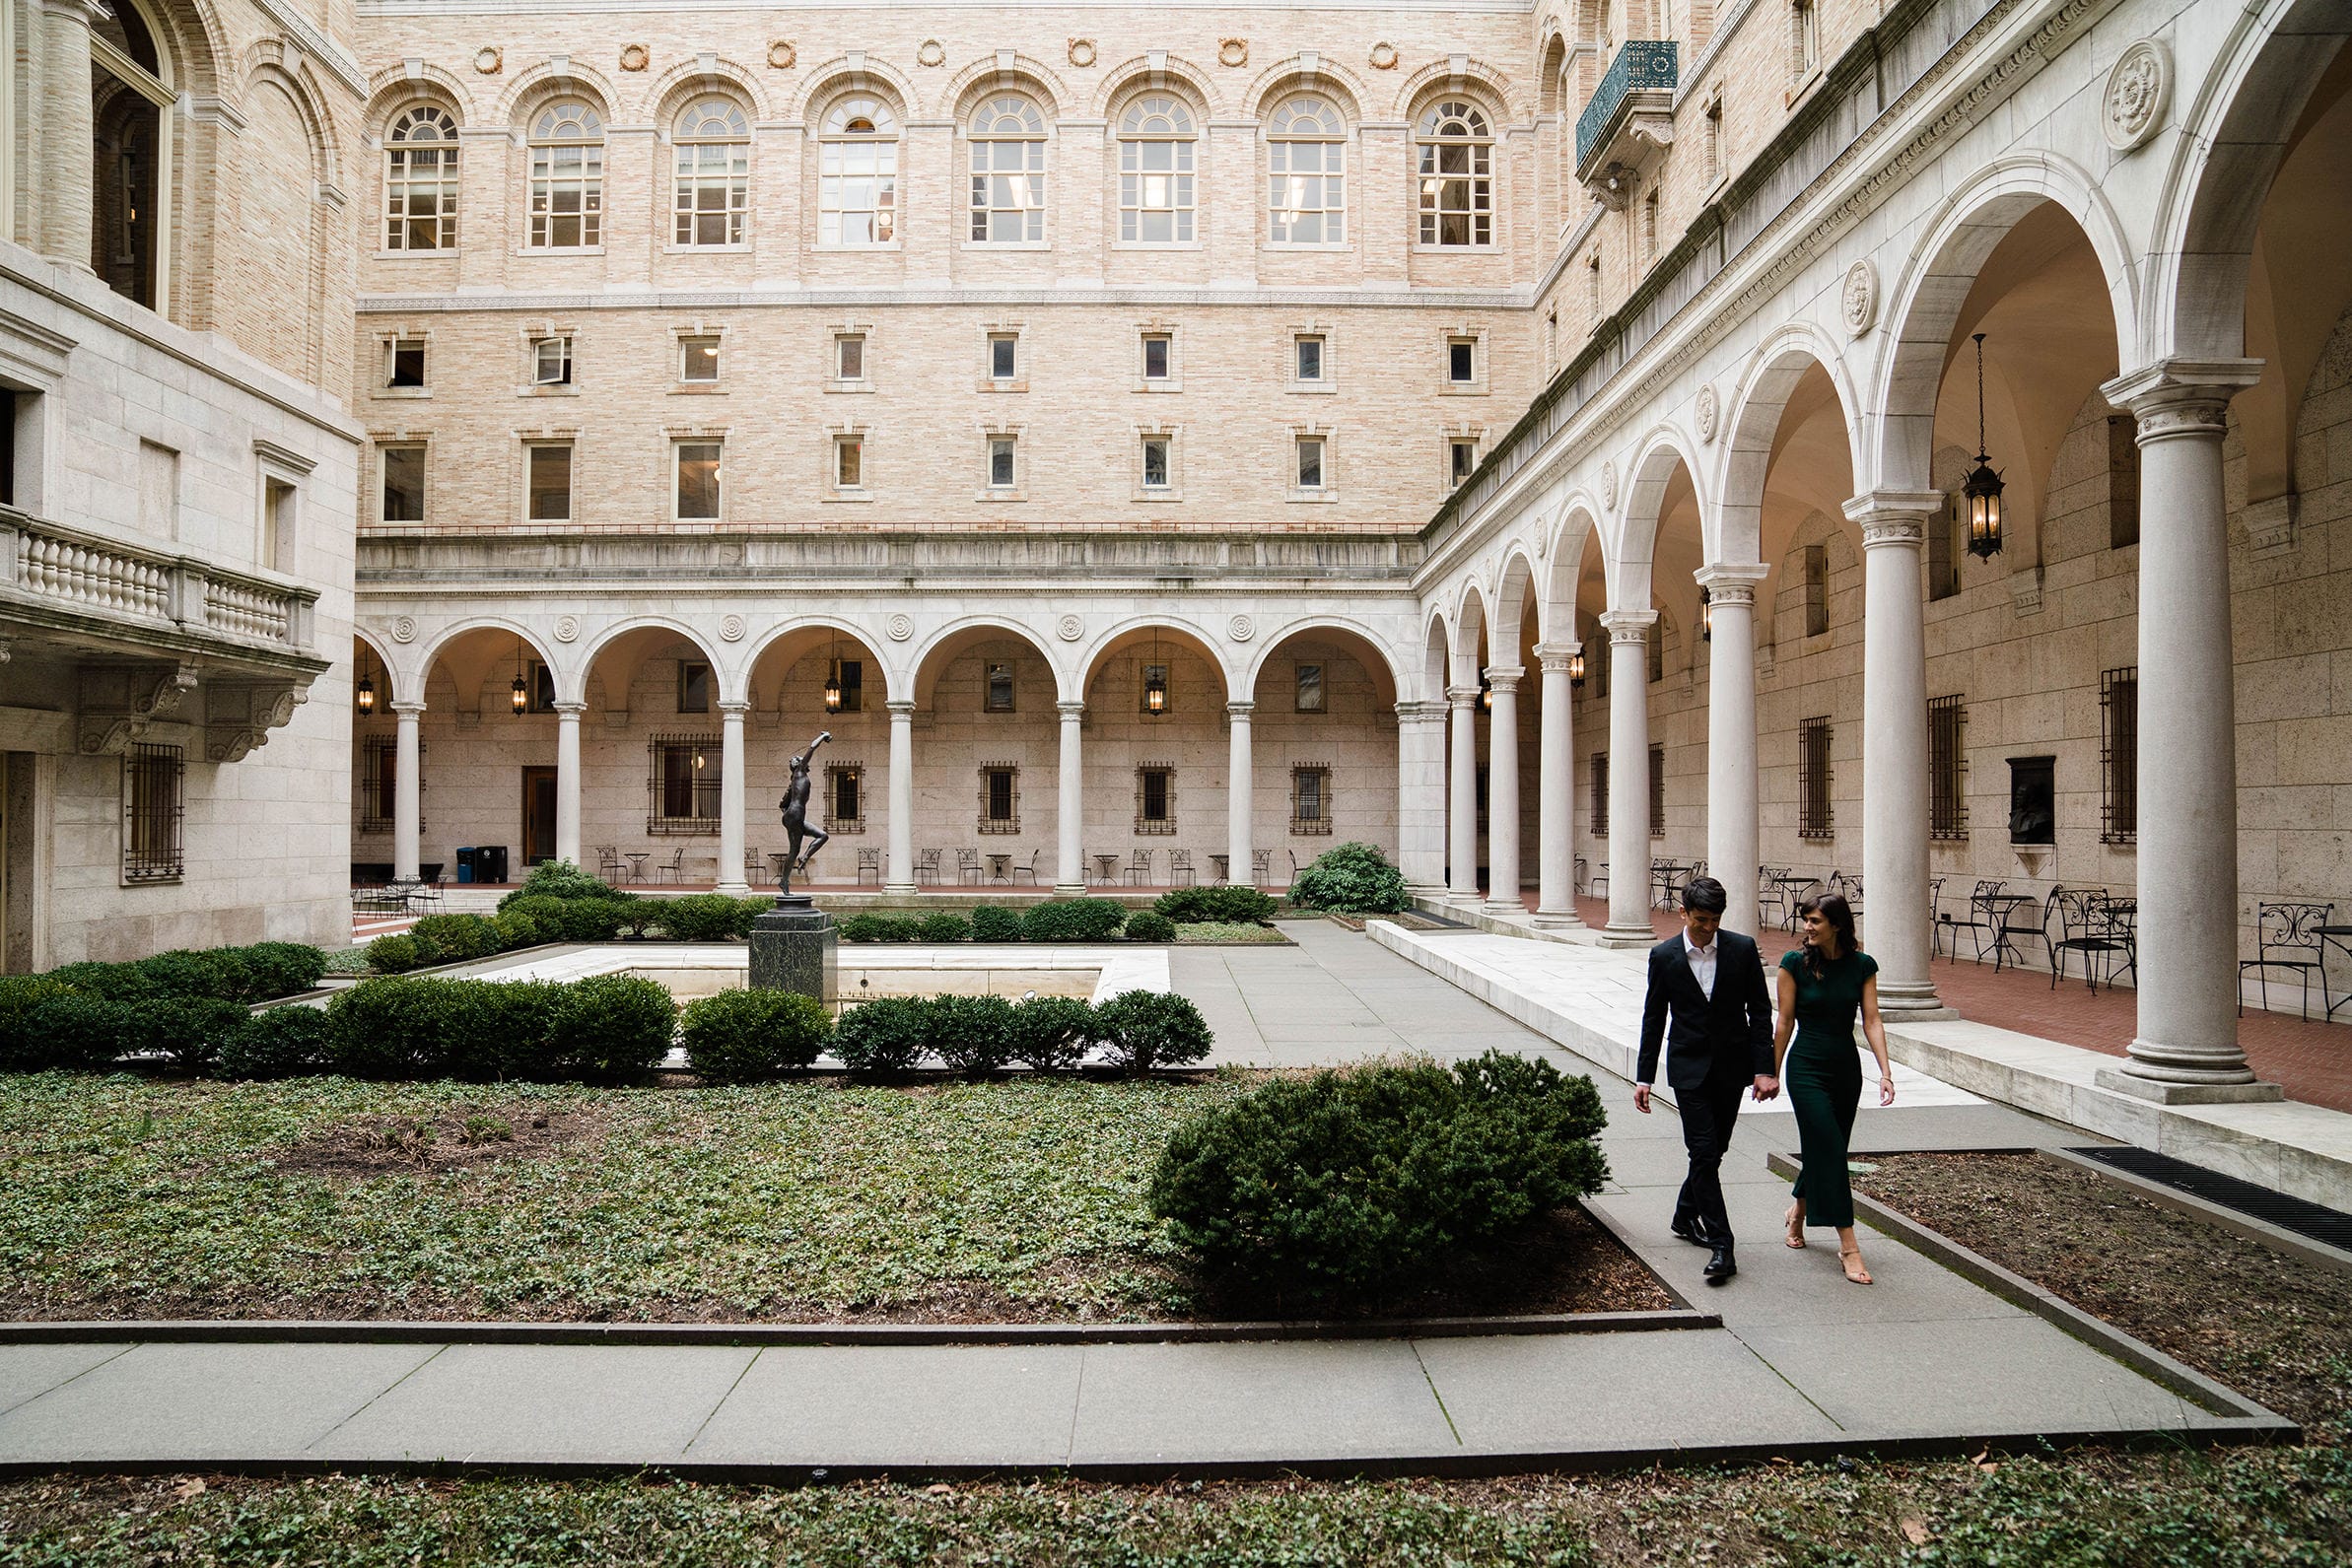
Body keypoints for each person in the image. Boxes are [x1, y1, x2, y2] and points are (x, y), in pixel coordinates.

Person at [1634, 876, 1778, 1285]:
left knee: (1713, 1151)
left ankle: (1683, 1215)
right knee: (1702, 1148)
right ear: (1683, 913)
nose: (1709, 928)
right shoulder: (1664, 956)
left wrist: (1763, 1068)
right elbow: (1653, 1019)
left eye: (1715, 920)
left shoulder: (1742, 949)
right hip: (1688, 1070)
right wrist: (1644, 1077)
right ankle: (1722, 1245)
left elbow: (1760, 1013)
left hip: (1731, 1068)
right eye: (1701, 920)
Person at [1772, 892, 1896, 1285]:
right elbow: (1784, 1023)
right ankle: (1849, 1245)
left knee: (1828, 1148)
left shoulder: (1862, 965)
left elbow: (1872, 1020)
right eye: (1806, 919)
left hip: (1846, 1069)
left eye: (1815, 921)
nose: (1807, 927)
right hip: (1806, 1067)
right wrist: (1770, 1073)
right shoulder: (1793, 964)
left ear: (1837, 925)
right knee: (1828, 1146)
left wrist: (1886, 1072)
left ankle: (1798, 1214)